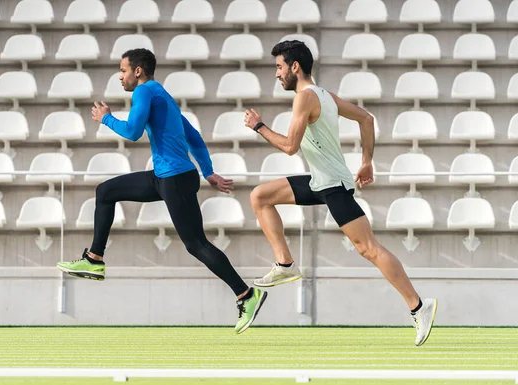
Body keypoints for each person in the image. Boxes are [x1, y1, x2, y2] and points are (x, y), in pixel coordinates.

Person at [56, 48, 267, 334]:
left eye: (123, 70)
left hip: (175, 179)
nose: (121, 77)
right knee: (105, 191)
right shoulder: (162, 95)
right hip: (166, 176)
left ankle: (246, 295)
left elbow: (132, 131)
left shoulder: (144, 92)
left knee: (196, 245)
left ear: (138, 71)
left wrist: (106, 118)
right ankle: (94, 259)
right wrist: (207, 172)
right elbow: (193, 136)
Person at [243, 40, 437, 346]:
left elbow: (290, 147)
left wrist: (259, 126)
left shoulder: (305, 97)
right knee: (260, 196)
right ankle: (285, 264)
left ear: (295, 67)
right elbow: (366, 118)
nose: (277, 74)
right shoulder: (325, 96)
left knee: (368, 249)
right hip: (319, 180)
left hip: (332, 184)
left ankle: (418, 305)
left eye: (279, 67)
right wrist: (367, 161)